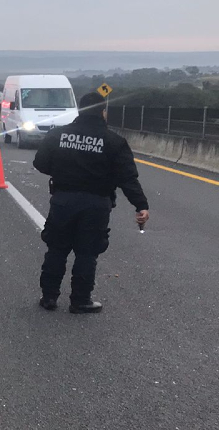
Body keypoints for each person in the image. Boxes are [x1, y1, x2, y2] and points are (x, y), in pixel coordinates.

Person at [33, 92, 150, 314]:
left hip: (63, 200)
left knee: (56, 249)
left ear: (79, 110)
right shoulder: (114, 141)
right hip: (96, 204)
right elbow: (128, 178)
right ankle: (80, 301)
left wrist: (61, 172)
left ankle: (48, 297)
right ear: (103, 112)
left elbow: (40, 163)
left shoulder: (58, 134)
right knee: (87, 253)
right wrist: (140, 205)